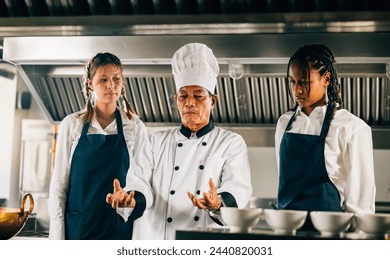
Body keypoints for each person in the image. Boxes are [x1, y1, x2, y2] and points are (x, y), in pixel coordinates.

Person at [106, 42, 253, 240]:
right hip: (154, 241)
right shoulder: (155, 141)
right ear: (176, 100)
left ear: (213, 101)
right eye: (183, 96)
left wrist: (218, 202)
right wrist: (130, 199)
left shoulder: (230, 143)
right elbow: (139, 183)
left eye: (198, 96)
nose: (189, 102)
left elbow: (237, 187)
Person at [49, 52, 148, 239]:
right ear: (89, 83)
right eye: (103, 79)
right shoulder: (71, 125)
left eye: (116, 79)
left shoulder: (134, 127)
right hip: (79, 229)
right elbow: (59, 187)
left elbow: (141, 182)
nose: (111, 85)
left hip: (118, 228)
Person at [275, 44, 376, 229]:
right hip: (286, 232)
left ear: (326, 79)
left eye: (304, 82)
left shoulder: (351, 127)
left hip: (329, 234)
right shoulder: (284, 123)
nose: (297, 90)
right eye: (292, 81)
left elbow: (361, 203)